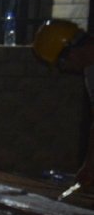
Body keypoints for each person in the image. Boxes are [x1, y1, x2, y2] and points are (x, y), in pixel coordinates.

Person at [32, 19, 94, 190]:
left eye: (61, 64)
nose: (64, 69)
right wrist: (89, 166)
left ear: (70, 53)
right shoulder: (90, 71)